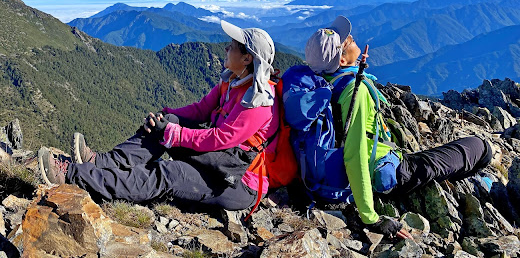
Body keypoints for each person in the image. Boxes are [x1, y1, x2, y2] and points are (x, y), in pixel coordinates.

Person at [38, 20, 280, 211]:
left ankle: (72, 176)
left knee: (167, 174)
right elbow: (201, 110)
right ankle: (100, 163)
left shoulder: (259, 101)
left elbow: (222, 138)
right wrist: (167, 118)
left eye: (233, 46)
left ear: (247, 58)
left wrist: (175, 135)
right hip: (218, 160)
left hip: (236, 182)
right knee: (164, 125)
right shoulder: (233, 82)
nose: (226, 48)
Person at [303, 16, 493, 239]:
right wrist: (370, 217)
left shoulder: (318, 84)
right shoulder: (355, 91)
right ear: (342, 61)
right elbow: (354, 154)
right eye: (348, 41)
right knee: (481, 147)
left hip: (324, 171)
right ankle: (478, 185)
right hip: (386, 170)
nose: (353, 39)